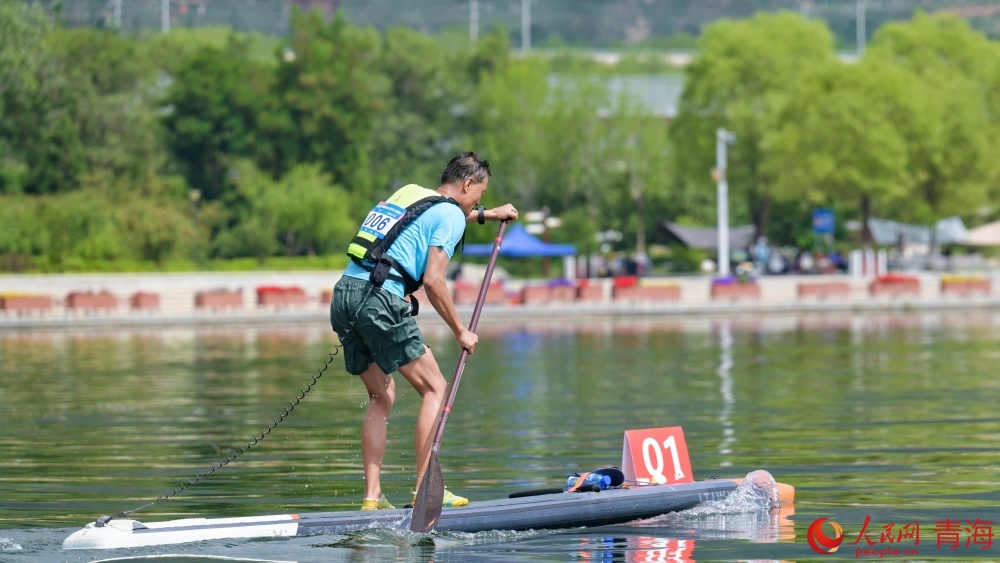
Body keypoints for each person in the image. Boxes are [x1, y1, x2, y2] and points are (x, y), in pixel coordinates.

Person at [330, 152, 518, 511]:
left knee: (381, 396)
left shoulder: (410, 192)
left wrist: (490, 215)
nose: (480, 201)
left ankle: (372, 497)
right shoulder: (450, 215)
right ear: (467, 184)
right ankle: (425, 488)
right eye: (480, 194)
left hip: (345, 294)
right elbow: (433, 279)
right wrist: (461, 331)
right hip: (380, 300)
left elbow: (435, 215)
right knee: (435, 387)